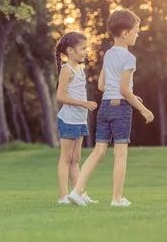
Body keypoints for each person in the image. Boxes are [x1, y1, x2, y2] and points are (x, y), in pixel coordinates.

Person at [67, 9, 154, 207]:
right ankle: (116, 199)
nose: (137, 34)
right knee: (120, 153)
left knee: (98, 151)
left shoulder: (108, 54)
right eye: (136, 31)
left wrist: (127, 95)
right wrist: (142, 108)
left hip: (105, 106)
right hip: (121, 109)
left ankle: (77, 191)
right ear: (125, 33)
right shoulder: (129, 58)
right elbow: (124, 89)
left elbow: (101, 86)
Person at [55, 31, 99, 205]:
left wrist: (84, 106)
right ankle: (63, 197)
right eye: (82, 48)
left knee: (76, 158)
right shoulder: (67, 70)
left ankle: (77, 193)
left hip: (79, 120)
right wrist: (83, 103)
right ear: (70, 51)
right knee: (66, 158)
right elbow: (60, 97)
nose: (85, 51)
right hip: (68, 120)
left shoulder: (80, 69)